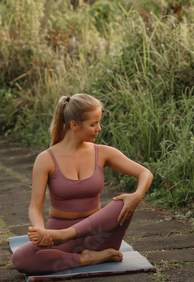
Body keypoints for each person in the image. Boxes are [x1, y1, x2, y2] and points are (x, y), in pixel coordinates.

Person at [10, 93, 153, 275]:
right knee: (21, 258)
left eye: (98, 123)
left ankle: (72, 241)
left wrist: (137, 196)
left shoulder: (102, 152)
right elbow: (35, 208)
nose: (99, 129)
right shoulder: (46, 159)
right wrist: (41, 233)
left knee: (123, 202)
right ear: (74, 125)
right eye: (93, 124)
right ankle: (87, 259)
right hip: (59, 238)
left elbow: (145, 173)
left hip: (98, 237)